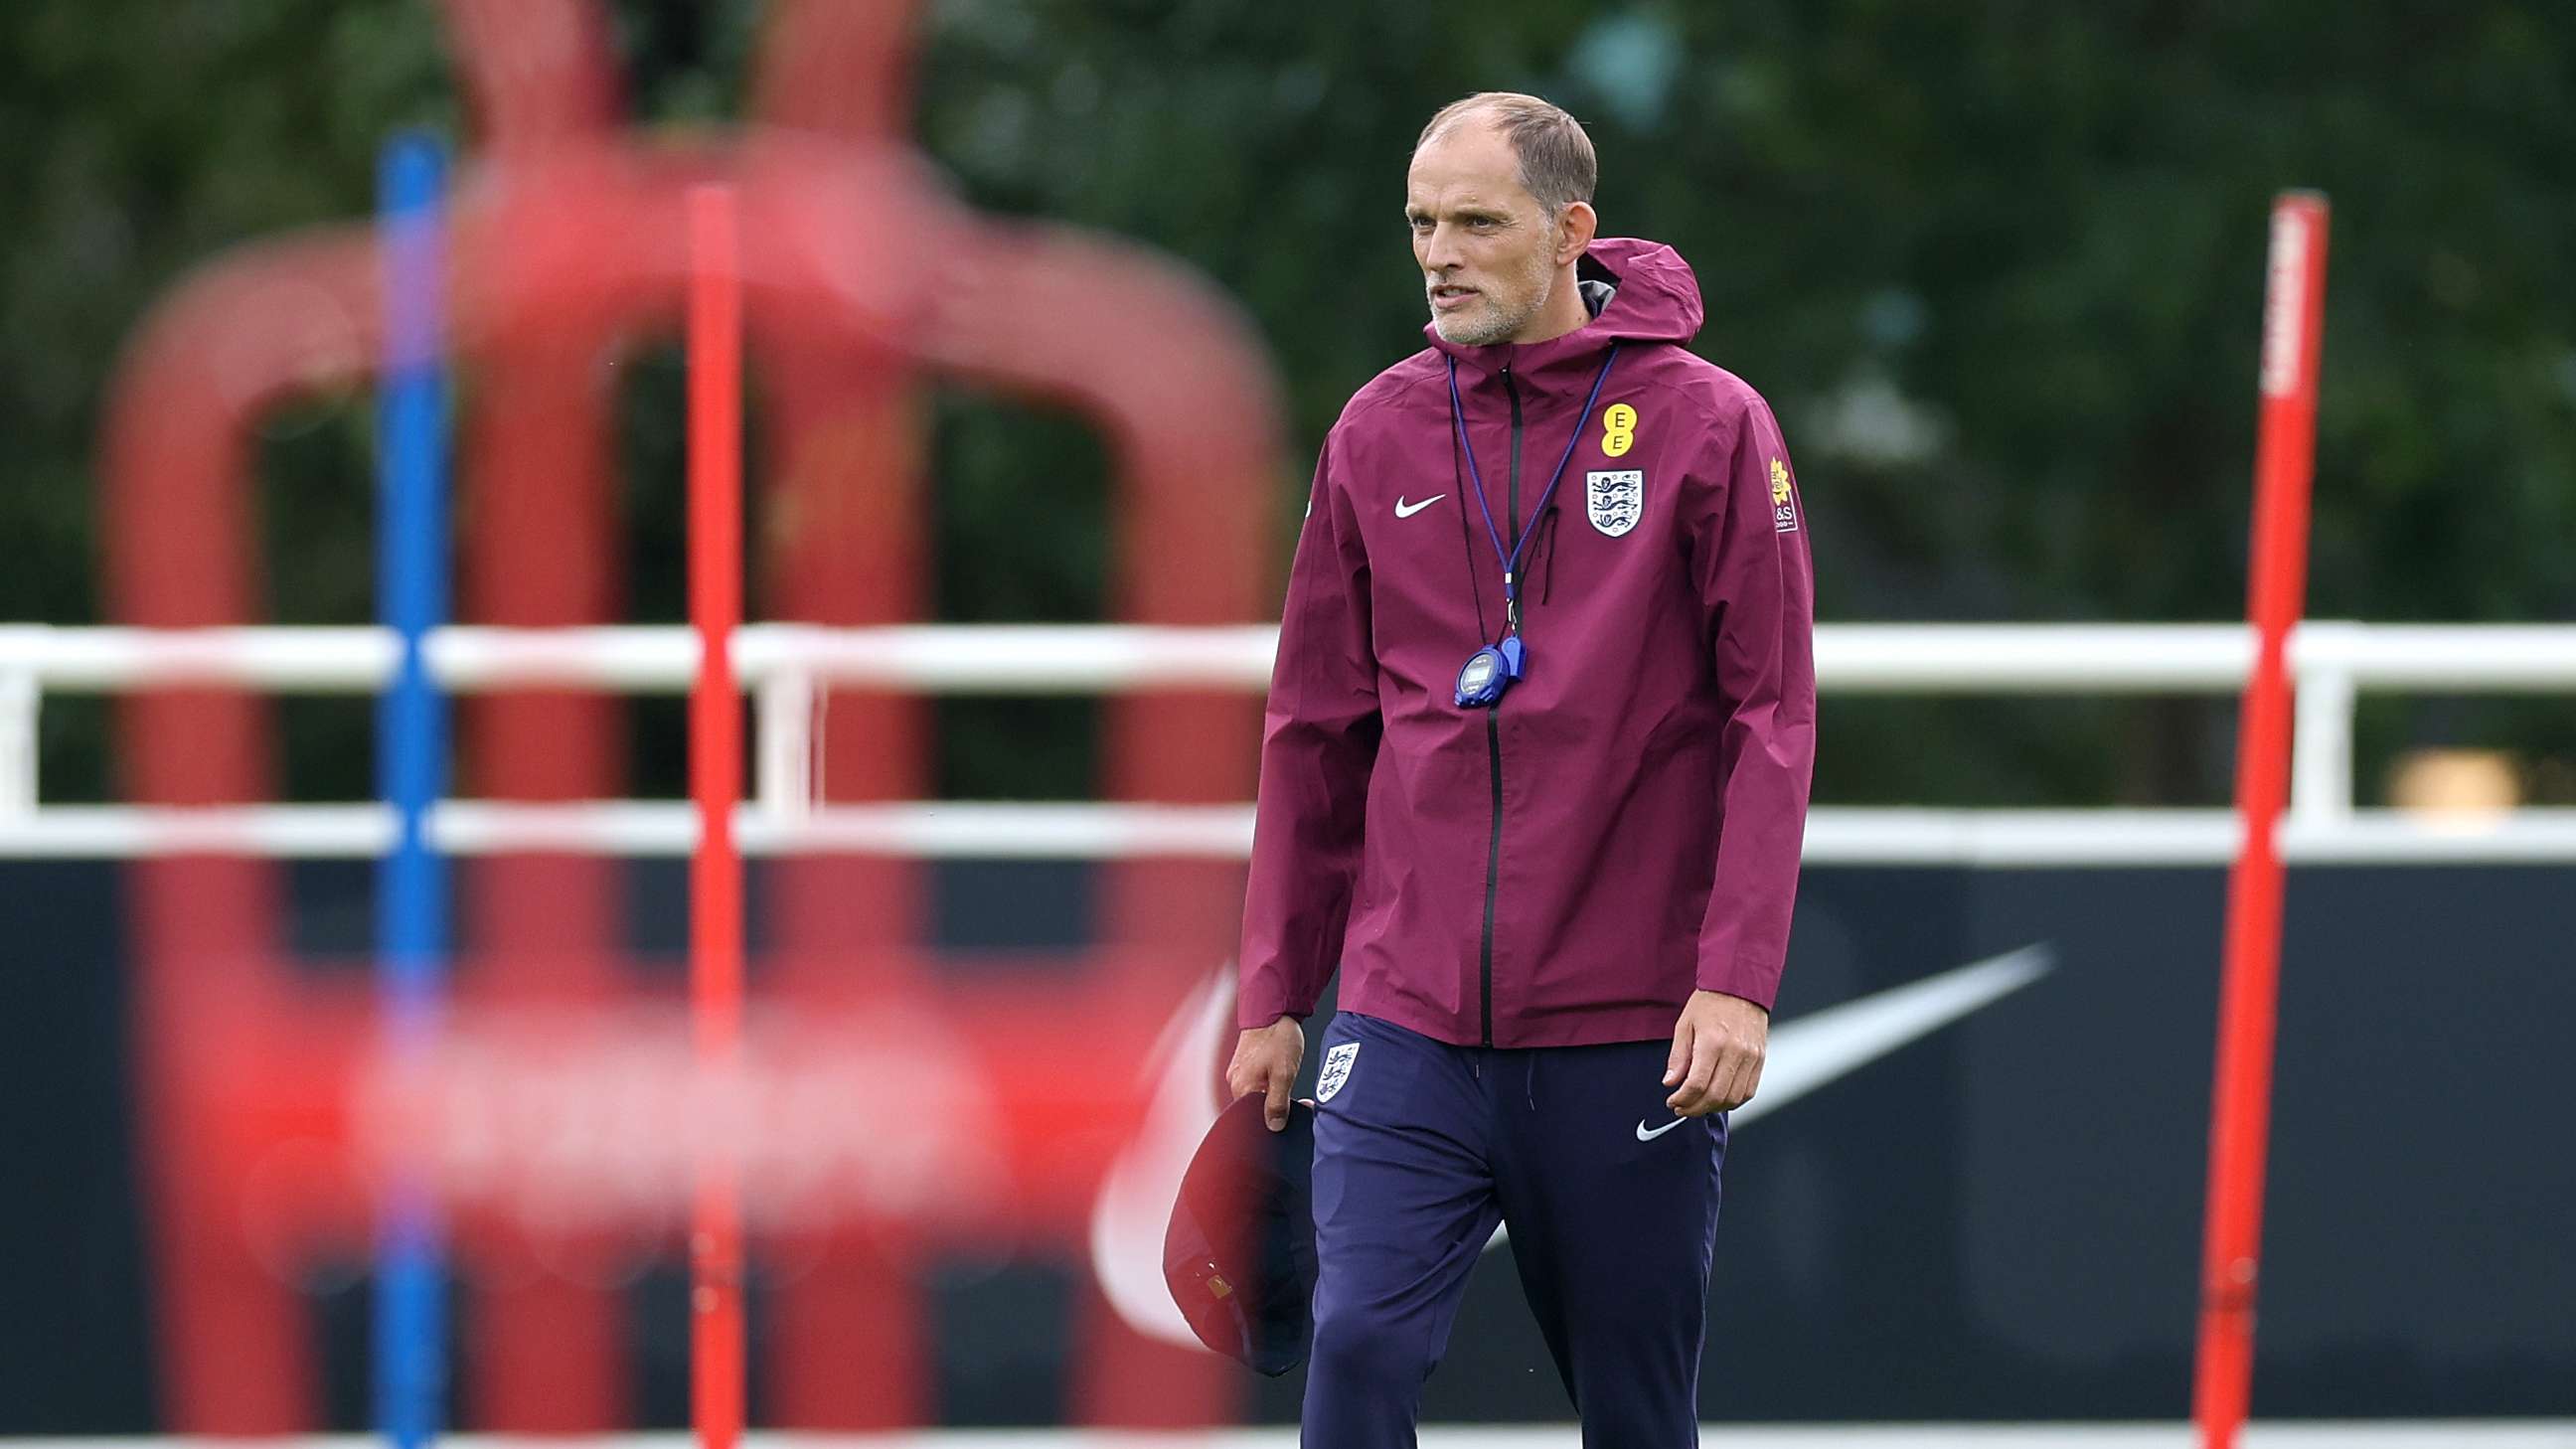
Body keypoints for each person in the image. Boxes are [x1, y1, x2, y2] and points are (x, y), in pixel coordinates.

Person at [1225, 91, 1817, 1445]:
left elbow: (1771, 717)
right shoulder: (1372, 433)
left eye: (1478, 222)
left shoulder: (1711, 424)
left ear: (1570, 232)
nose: (1441, 252)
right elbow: (1313, 730)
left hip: (1628, 1030)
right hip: (1406, 1017)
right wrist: (1274, 992)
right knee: (1357, 1350)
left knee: (1636, 1410)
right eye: (1423, 223)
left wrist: (1735, 977)